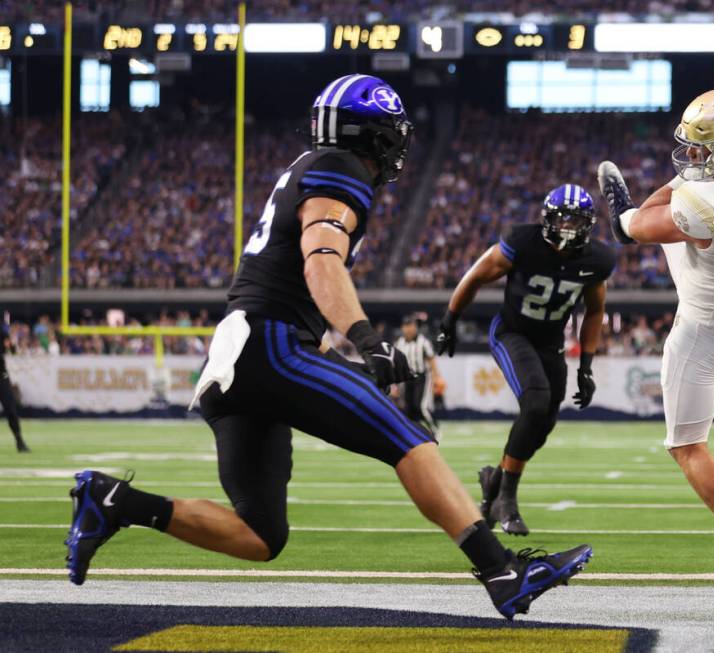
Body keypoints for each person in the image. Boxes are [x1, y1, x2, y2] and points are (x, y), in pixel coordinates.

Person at [63, 75, 591, 620]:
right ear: (374, 137)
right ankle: (502, 572)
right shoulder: (339, 170)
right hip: (268, 345)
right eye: (392, 135)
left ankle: (114, 503)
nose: (398, 147)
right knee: (410, 440)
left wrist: (340, 354)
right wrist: (365, 341)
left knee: (260, 533)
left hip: (239, 354)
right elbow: (320, 259)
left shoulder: (308, 168)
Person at [597, 88, 714, 580]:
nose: (692, 157)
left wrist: (628, 217)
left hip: (708, 326)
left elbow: (642, 228)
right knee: (687, 238)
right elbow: (705, 186)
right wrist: (696, 177)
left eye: (703, 148)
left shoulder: (707, 208)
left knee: (686, 446)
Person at [436, 184, 615, 536]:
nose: (567, 228)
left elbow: (594, 312)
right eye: (561, 219)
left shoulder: (597, 260)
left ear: (589, 225)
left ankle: (494, 484)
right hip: (512, 332)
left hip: (551, 344)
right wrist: (449, 320)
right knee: (534, 403)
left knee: (543, 423)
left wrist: (587, 366)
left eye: (575, 221)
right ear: (546, 219)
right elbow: (475, 276)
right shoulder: (522, 241)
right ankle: (507, 498)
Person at [394, 314, 441, 438]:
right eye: (407, 326)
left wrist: (437, 377)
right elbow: (397, 362)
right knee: (408, 408)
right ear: (402, 328)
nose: (409, 329)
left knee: (420, 406)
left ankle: (435, 429)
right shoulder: (399, 342)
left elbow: (431, 359)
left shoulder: (423, 342)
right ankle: (414, 431)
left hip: (421, 377)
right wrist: (395, 382)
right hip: (407, 378)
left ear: (416, 327)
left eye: (412, 325)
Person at [0, 320, 29, 453]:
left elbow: (13, 351)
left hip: (1, 375)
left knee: (10, 409)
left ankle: (19, 440)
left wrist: (11, 340)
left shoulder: (2, 332)